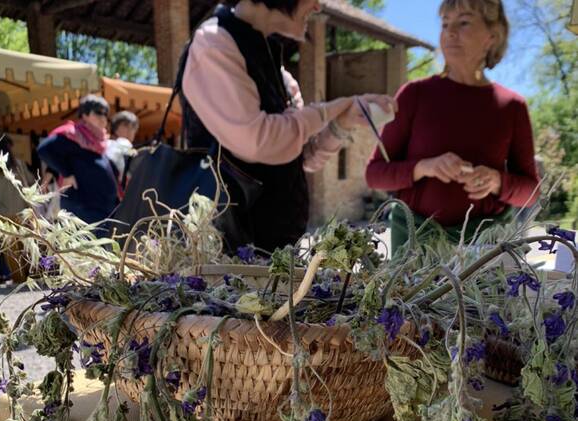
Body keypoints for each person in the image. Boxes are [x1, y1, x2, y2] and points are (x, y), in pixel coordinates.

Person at [179, 0, 396, 253]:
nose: (317, 7)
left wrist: (342, 123)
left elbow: (299, 154)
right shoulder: (215, 43)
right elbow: (260, 141)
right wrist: (333, 108)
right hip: (229, 258)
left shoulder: (271, 59)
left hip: (277, 251)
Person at [365, 0, 540, 256]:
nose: (450, 31)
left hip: (485, 253)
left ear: (492, 36)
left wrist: (496, 181)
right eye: (445, 23)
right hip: (414, 249)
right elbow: (374, 174)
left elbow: (531, 192)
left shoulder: (512, 106)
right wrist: (424, 167)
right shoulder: (414, 95)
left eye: (464, 22)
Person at [37, 95, 119, 230]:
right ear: (85, 114)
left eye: (105, 114)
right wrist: (67, 173)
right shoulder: (74, 134)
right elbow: (45, 149)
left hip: (102, 214)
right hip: (82, 212)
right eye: (98, 112)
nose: (103, 118)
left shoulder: (99, 143)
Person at [0, 135, 35, 287]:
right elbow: (31, 183)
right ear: (8, 148)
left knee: (11, 250)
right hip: (23, 211)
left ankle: (19, 279)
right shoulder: (19, 164)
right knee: (28, 244)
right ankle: (33, 275)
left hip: (2, 213)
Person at [105, 110, 139, 189]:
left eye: (133, 128)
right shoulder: (123, 143)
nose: (130, 131)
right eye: (126, 126)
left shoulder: (106, 143)